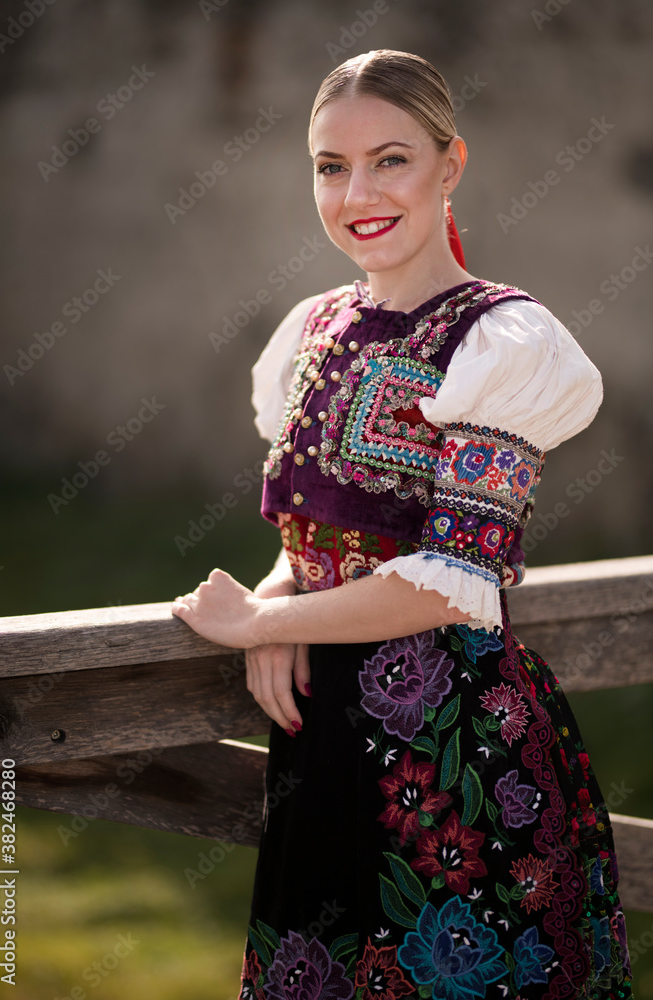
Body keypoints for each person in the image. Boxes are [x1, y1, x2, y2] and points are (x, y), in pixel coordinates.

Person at [171, 49, 633, 1000]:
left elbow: (450, 575)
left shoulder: (502, 341)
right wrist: (278, 591)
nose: (356, 192)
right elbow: (317, 529)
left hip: (456, 743)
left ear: (449, 165)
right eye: (329, 166)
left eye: (391, 160)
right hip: (320, 745)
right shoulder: (314, 328)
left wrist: (266, 627)